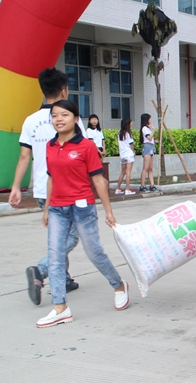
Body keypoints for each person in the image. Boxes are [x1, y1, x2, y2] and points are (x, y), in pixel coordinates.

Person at [37, 100, 129, 328]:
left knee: (94, 252)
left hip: (82, 208)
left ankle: (119, 285)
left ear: (76, 119)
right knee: (55, 257)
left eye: (64, 115)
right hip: (57, 208)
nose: (59, 119)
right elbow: (51, 178)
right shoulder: (50, 146)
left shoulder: (86, 146)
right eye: (55, 116)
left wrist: (108, 211)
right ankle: (60, 308)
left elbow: (99, 180)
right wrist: (47, 208)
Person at [9, 68, 84, 305]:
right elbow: (82, 152)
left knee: (57, 235)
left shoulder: (30, 121)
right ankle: (40, 270)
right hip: (67, 188)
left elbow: (24, 157)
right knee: (71, 237)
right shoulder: (70, 117)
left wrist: (16, 187)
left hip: (42, 189)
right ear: (63, 91)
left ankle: (65, 278)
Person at [114, 118, 136, 195]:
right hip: (129, 154)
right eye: (131, 122)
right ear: (128, 124)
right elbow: (131, 145)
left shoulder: (119, 133)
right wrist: (134, 152)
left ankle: (118, 188)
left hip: (123, 155)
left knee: (123, 172)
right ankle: (127, 189)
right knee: (128, 172)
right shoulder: (128, 133)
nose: (132, 123)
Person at [139, 113, 157, 192]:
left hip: (151, 147)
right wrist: (153, 131)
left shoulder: (148, 128)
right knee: (145, 168)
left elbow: (150, 139)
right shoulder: (144, 128)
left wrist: (155, 141)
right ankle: (142, 185)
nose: (150, 120)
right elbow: (149, 138)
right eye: (150, 118)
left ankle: (152, 185)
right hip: (147, 148)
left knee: (150, 168)